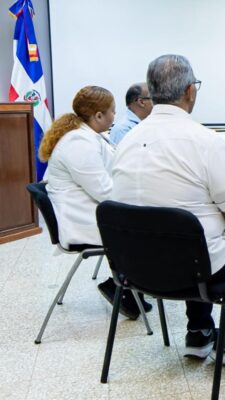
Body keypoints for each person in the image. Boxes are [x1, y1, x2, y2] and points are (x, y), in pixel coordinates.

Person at [112, 55, 225, 364]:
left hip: (136, 270)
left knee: (191, 232)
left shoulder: (126, 140)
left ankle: (199, 330)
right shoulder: (204, 141)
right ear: (189, 91)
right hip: (193, 267)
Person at [39, 85, 152, 320]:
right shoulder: (78, 143)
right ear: (99, 115)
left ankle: (130, 287)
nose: (115, 116)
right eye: (112, 111)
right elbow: (104, 191)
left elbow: (113, 170)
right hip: (81, 221)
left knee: (146, 221)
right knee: (150, 228)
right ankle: (123, 288)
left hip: (90, 211)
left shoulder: (90, 136)